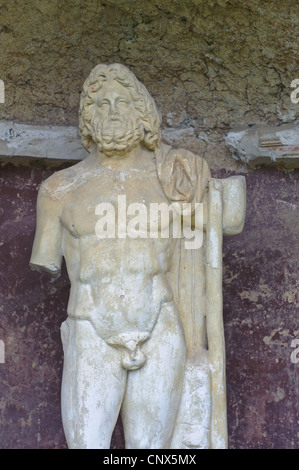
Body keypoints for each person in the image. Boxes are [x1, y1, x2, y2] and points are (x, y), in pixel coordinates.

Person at [30, 63, 211, 449]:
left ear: (143, 114)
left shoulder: (172, 179)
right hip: (91, 328)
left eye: (123, 102)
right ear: (87, 120)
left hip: (159, 325)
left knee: (152, 453)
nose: (111, 111)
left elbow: (207, 217)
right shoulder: (58, 189)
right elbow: (46, 258)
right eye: (101, 104)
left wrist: (187, 166)